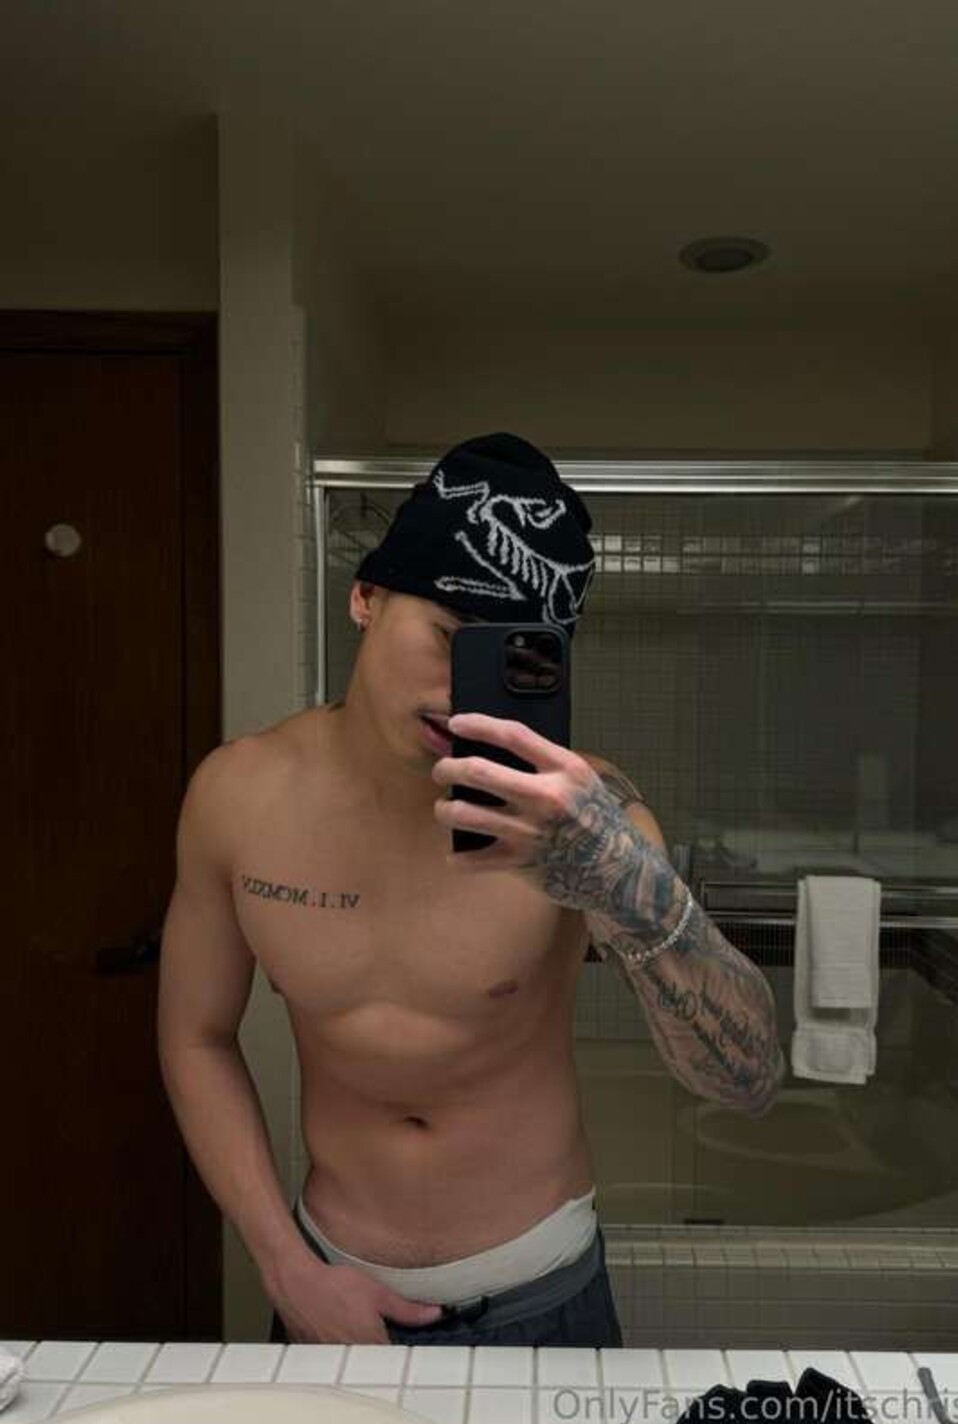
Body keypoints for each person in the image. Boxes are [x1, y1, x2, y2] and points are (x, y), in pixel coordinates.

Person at [157, 432, 785, 1348]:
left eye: (511, 656)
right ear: (366, 597)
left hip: (542, 1295)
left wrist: (622, 883)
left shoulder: (583, 816)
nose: (461, 691)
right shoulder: (239, 797)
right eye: (449, 635)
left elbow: (749, 1082)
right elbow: (195, 1035)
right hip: (328, 1285)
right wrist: (284, 1264)